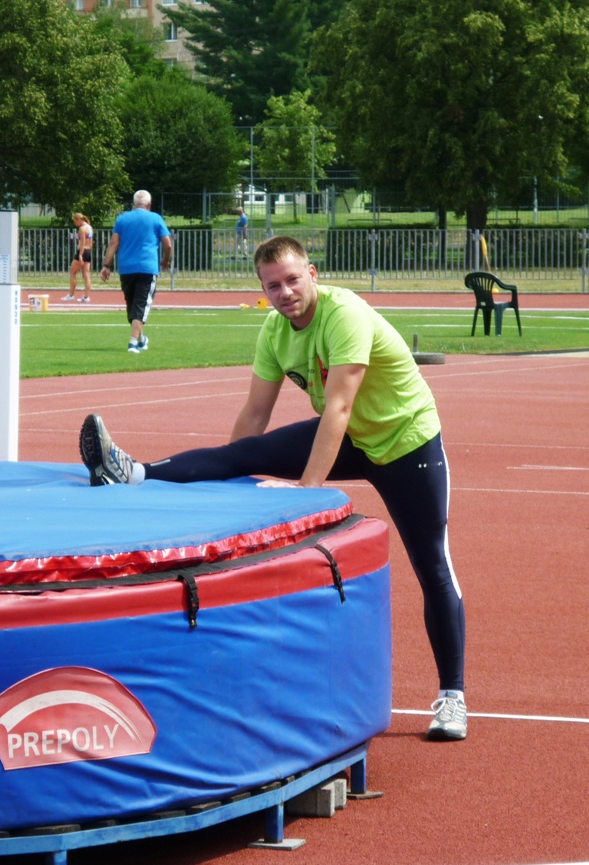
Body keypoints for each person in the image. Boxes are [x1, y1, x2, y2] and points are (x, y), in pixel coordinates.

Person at [79, 235, 468, 741]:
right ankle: (133, 472)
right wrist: (230, 475)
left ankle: (452, 698)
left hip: (405, 442)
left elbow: (339, 407)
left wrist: (308, 491)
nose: (284, 292)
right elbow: (255, 415)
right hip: (351, 437)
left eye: (291, 280)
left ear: (312, 273)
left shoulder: (345, 314)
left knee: (432, 565)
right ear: (262, 290)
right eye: (272, 286)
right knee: (243, 452)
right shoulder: (274, 330)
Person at [100, 190, 173, 354]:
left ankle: (138, 339)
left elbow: (113, 243)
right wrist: (166, 260)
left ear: (134, 204)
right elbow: (168, 244)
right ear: (149, 204)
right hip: (147, 267)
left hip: (126, 268)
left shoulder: (122, 219)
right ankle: (134, 342)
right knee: (139, 305)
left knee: (132, 304)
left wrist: (106, 265)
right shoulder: (155, 218)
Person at [64, 213, 95, 303]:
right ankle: (86, 297)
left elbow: (82, 243)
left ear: (78, 219)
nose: (75, 223)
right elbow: (91, 241)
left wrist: (80, 255)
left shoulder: (82, 229)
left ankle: (71, 295)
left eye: (75, 221)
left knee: (72, 272)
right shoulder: (89, 227)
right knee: (86, 275)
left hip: (82, 251)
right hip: (88, 252)